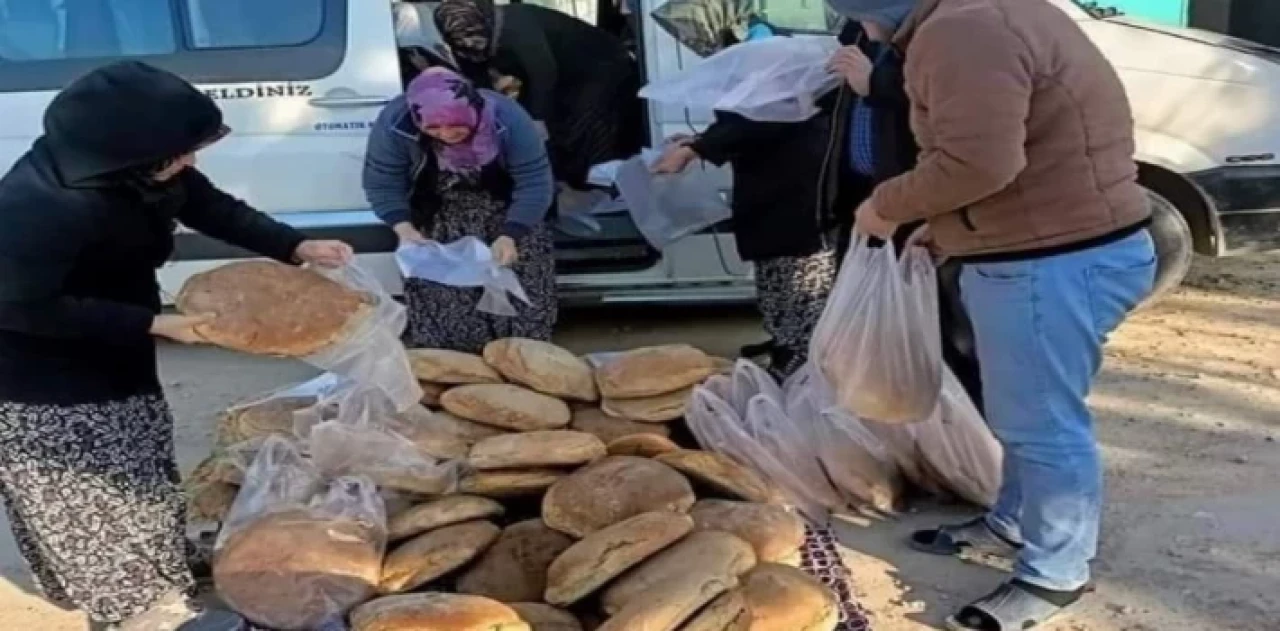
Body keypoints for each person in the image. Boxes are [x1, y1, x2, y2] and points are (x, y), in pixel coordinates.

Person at [834, 1, 1157, 628]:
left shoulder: (961, 29)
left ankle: (1055, 573)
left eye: (857, 18)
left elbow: (979, 162)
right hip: (1051, 245)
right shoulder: (980, 12)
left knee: (1042, 423)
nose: (862, 35)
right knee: (1023, 412)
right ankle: (1012, 522)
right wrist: (946, 224)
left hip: (1052, 259)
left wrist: (887, 206)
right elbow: (1014, 145)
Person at [0, 61, 353, 631]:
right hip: (43, 377)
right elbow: (20, 306)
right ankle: (139, 610)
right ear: (126, 150)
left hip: (118, 348)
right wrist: (154, 325)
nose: (190, 162)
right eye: (182, 153)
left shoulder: (143, 171)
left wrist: (295, 245)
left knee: (142, 462)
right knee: (94, 492)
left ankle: (159, 564)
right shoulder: (36, 206)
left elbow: (213, 208)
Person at [364, 67, 556, 352]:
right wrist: (405, 230)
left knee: (521, 300)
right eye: (433, 128)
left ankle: (522, 363)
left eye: (457, 125)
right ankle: (462, 374)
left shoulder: (507, 118)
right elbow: (382, 183)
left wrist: (511, 234)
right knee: (446, 299)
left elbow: (535, 182)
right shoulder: (396, 124)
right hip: (440, 211)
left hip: (508, 210)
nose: (446, 134)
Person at [434, 0, 644, 189]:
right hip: (560, 73)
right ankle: (559, 180)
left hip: (600, 64)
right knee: (533, 122)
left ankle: (599, 187)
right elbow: (479, 86)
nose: (470, 45)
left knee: (582, 125)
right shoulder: (462, 38)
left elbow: (544, 74)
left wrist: (537, 120)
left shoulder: (516, 25)